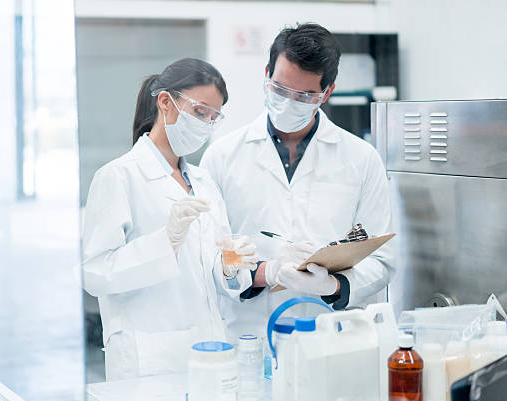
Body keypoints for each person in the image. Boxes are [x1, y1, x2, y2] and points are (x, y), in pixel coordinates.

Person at [200, 23, 395, 339]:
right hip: (251, 337)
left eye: (304, 96)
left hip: (332, 335)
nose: (289, 102)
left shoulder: (361, 159)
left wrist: (334, 284)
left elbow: (381, 259)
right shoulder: (222, 157)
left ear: (326, 92)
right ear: (267, 75)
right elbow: (212, 254)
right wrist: (265, 272)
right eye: (279, 89)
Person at [82, 58, 259, 381]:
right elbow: (96, 274)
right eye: (199, 112)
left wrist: (231, 264)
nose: (205, 124)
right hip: (149, 357)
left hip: (210, 351)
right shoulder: (118, 176)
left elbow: (214, 274)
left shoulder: (204, 182)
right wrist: (167, 241)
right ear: (166, 102)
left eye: (213, 117)